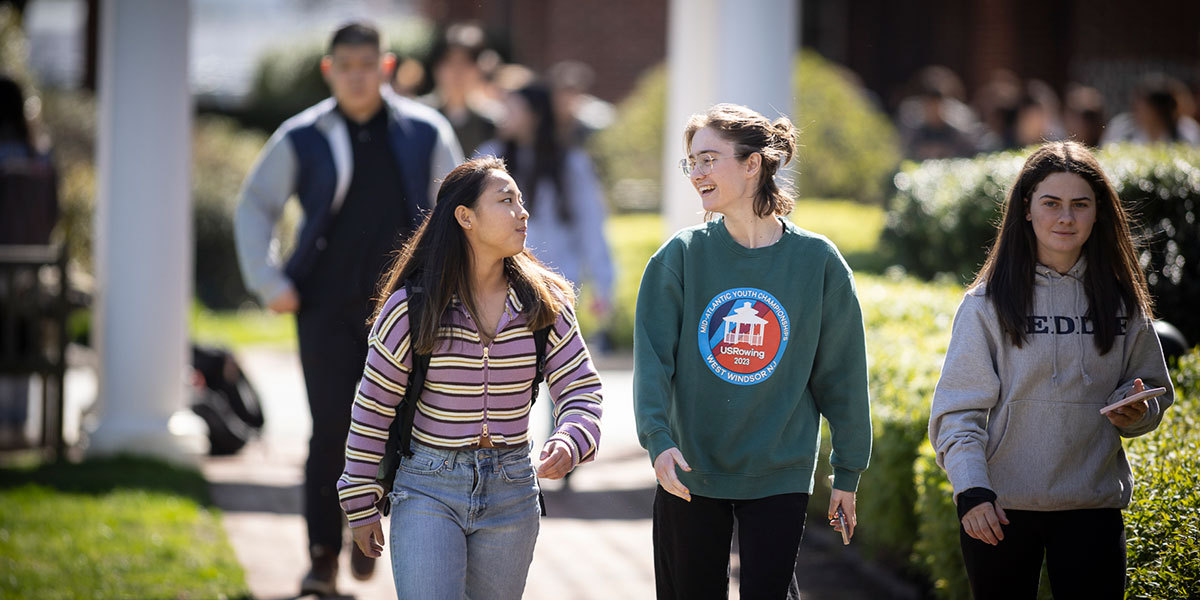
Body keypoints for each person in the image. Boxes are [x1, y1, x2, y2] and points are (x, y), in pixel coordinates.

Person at [233, 22, 462, 596]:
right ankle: (321, 558)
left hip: (409, 309)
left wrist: (453, 286)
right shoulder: (302, 134)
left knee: (400, 430)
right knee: (330, 430)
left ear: (386, 68)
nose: (358, 76)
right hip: (324, 307)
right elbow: (256, 206)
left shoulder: (424, 130)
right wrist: (269, 281)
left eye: (368, 65)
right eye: (346, 66)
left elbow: (458, 208)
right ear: (329, 70)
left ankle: (368, 535)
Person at [633, 103, 872, 599]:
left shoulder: (817, 262)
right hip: (689, 468)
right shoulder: (679, 257)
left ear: (752, 164)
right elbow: (653, 362)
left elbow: (842, 374)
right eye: (691, 162)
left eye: (708, 159)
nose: (696, 173)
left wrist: (847, 472)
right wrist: (657, 440)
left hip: (778, 469)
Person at [336, 156, 604, 599]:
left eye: (520, 200)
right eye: (506, 200)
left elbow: (581, 388)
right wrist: (360, 502)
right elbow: (372, 409)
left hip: (513, 490)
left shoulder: (546, 303)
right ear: (465, 217)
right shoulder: (410, 308)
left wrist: (572, 437)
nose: (523, 212)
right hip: (427, 488)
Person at [928, 141, 1175, 599]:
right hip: (999, 510)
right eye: (1051, 203)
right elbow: (957, 413)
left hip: (1092, 508)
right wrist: (971, 491)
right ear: (1026, 209)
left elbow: (1154, 391)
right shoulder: (985, 304)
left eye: (1080, 204)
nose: (1066, 218)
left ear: (1098, 211)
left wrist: (1136, 412)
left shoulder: (1123, 302)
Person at [476, 83, 615, 343]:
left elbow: (591, 225)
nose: (502, 114)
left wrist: (603, 286)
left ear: (534, 115)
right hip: (500, 282)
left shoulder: (570, 163)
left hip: (556, 283)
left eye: (511, 108)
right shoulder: (489, 157)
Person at [418, 22, 497, 155]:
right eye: (450, 62)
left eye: (465, 62)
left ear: (478, 69)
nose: (457, 71)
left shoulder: (491, 123)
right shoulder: (421, 116)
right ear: (437, 68)